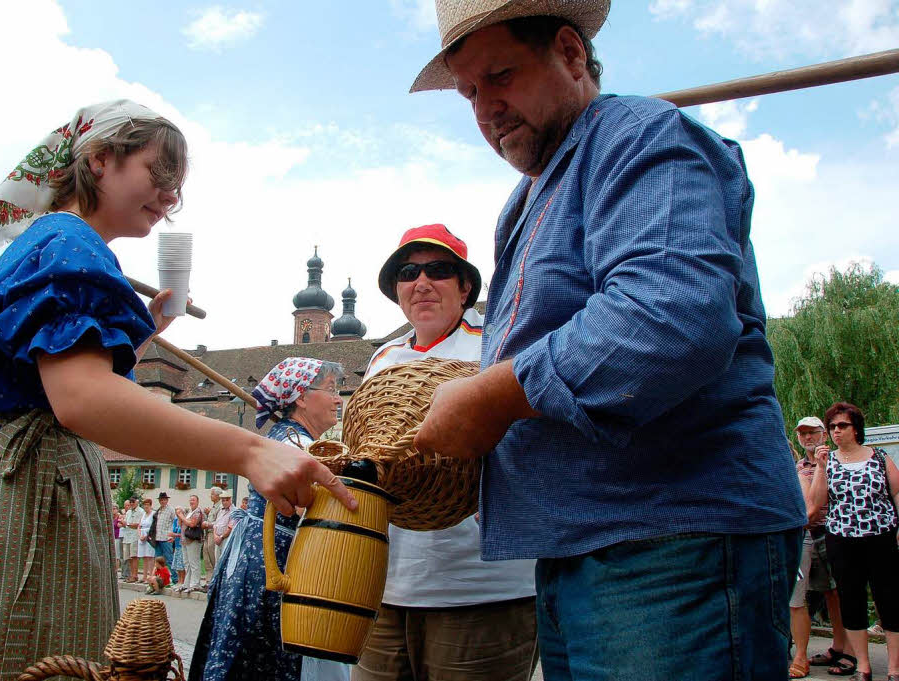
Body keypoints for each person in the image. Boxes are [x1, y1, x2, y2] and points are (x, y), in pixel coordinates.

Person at [0, 100, 355, 681]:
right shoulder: (71, 244)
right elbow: (80, 399)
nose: (171, 197)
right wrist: (251, 450)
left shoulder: (52, 241)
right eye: (160, 174)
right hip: (15, 491)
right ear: (100, 160)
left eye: (178, 186)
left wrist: (140, 331)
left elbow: (44, 375)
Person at [408, 4, 807, 679]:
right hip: (577, 544)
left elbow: (669, 316)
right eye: (471, 92)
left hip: (674, 540)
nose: (485, 109)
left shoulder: (645, 137)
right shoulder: (525, 202)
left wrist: (496, 397)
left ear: (569, 52)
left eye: (500, 76)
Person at [353, 224, 538, 681]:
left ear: (465, 286)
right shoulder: (382, 359)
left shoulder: (503, 342)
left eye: (438, 270)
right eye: (408, 272)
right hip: (387, 585)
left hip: (481, 586)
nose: (421, 282)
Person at [190, 359, 350, 681]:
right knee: (271, 653)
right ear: (301, 397)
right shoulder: (297, 445)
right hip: (273, 562)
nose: (338, 399)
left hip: (259, 555)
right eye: (331, 390)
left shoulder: (291, 438)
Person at [810, 402, 899, 680]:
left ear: (855, 428)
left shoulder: (879, 456)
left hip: (881, 537)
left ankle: (895, 667)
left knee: (890, 600)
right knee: (851, 600)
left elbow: (896, 493)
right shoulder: (828, 462)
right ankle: (863, 665)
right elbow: (816, 502)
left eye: (842, 425)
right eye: (832, 427)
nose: (836, 431)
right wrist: (821, 468)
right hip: (843, 540)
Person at [791, 416, 853, 678]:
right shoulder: (798, 467)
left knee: (838, 593)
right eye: (803, 434)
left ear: (823, 435)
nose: (808, 438)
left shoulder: (839, 460)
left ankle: (843, 648)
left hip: (834, 531)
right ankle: (801, 656)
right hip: (806, 534)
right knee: (798, 597)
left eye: (813, 433)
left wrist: (822, 466)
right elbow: (808, 507)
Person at [176, 495, 205, 592]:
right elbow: (181, 524)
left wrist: (181, 516)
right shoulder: (188, 512)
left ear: (197, 501)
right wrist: (180, 517)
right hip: (184, 539)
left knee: (194, 562)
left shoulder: (198, 512)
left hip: (193, 539)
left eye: (193, 500)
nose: (191, 501)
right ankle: (187, 583)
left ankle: (195, 583)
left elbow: (192, 524)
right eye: (190, 500)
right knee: (186, 563)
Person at [154, 491, 177, 576]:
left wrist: (173, 535)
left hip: (166, 538)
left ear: (167, 500)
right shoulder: (158, 510)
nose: (163, 501)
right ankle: (160, 577)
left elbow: (175, 522)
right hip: (158, 537)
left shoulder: (171, 510)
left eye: (164, 500)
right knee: (158, 559)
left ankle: (175, 578)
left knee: (169, 559)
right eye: (161, 500)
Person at [123, 495, 145, 582]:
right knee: (128, 557)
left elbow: (139, 524)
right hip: (127, 536)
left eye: (133, 502)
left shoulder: (141, 511)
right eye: (130, 502)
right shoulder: (128, 512)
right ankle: (131, 575)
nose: (131, 503)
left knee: (134, 556)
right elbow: (126, 523)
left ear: (137, 502)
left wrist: (128, 524)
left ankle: (135, 575)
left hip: (135, 536)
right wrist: (124, 523)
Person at [138, 497, 157, 581]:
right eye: (144, 505)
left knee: (150, 556)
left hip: (149, 536)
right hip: (142, 535)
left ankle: (150, 575)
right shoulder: (143, 515)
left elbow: (154, 527)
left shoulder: (153, 514)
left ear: (150, 506)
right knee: (144, 557)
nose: (146, 507)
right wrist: (140, 535)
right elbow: (139, 526)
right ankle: (144, 576)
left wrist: (146, 536)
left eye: (147, 505)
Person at [171, 514, 185, 585]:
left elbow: (183, 534)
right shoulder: (176, 521)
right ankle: (179, 580)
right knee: (177, 565)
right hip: (176, 545)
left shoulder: (184, 522)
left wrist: (175, 535)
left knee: (181, 564)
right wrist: (172, 538)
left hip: (182, 545)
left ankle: (182, 581)